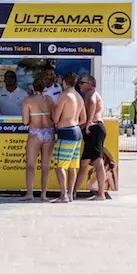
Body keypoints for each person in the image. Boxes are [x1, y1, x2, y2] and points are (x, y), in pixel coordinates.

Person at [19, 75, 55, 202]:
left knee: (30, 165)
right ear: (44, 87)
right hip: (49, 132)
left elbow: (25, 121)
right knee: (46, 166)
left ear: (33, 88)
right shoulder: (50, 100)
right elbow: (55, 118)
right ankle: (44, 195)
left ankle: (30, 193)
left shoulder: (28, 100)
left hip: (35, 132)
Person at [51, 72, 86, 203]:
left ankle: (63, 195)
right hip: (77, 131)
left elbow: (55, 117)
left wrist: (54, 112)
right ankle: (70, 194)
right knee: (72, 166)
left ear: (64, 82)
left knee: (60, 166)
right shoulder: (79, 97)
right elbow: (84, 119)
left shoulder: (64, 96)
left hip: (66, 132)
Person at [75, 75, 107, 200]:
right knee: (95, 162)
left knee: (91, 162)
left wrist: (88, 122)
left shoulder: (91, 93)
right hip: (97, 128)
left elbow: (92, 102)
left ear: (90, 84)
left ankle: (74, 192)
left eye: (82, 82)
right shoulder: (93, 93)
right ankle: (74, 191)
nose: (80, 85)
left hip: (94, 128)